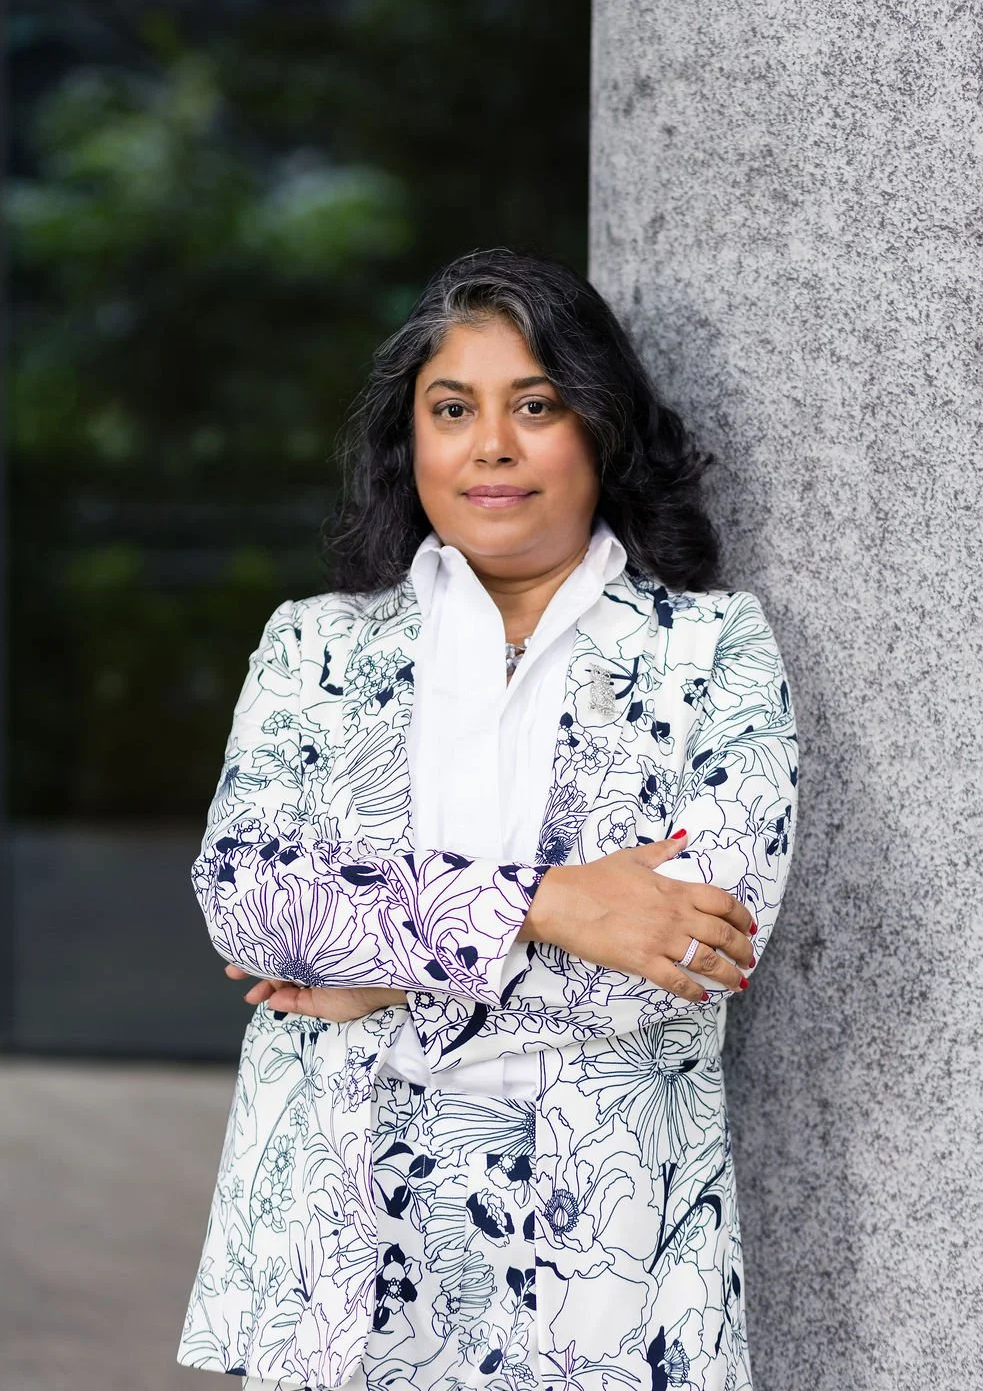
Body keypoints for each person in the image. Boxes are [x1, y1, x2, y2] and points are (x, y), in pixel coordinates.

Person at [176, 247, 798, 1391]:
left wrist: (380, 965)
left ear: (598, 429)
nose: (491, 446)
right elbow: (248, 898)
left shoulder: (713, 652)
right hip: (344, 1241)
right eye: (452, 408)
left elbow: (694, 949)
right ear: (409, 438)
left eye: (537, 406)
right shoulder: (317, 645)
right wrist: (550, 903)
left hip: (604, 1260)